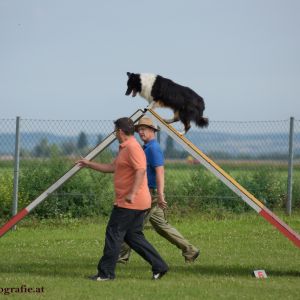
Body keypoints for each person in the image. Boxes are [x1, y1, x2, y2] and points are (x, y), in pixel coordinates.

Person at [77, 117, 168, 281]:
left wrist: (132, 194)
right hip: (135, 202)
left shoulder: (132, 147)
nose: (114, 134)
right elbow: (112, 167)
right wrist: (89, 164)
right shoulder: (125, 148)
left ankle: (105, 274)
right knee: (133, 236)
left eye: (115, 131)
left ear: (120, 131)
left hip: (130, 202)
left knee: (113, 233)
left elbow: (141, 170)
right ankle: (160, 266)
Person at [118, 117, 200, 264]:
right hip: (150, 192)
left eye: (144, 129)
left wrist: (160, 194)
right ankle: (190, 250)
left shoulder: (153, 148)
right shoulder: (147, 147)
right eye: (139, 130)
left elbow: (160, 172)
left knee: (130, 226)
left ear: (153, 131)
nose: (141, 132)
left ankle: (121, 258)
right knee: (162, 227)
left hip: (150, 193)